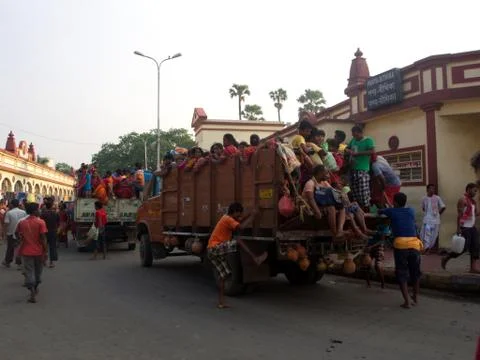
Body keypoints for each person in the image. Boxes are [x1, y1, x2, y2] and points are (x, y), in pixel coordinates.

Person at [207, 202, 267, 309]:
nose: (239, 216)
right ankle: (256, 258)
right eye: (238, 214)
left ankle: (221, 302)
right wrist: (253, 215)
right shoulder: (227, 219)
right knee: (238, 240)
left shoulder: (228, 218)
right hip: (215, 248)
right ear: (234, 212)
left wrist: (250, 214)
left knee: (223, 276)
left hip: (212, 250)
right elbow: (241, 227)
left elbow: (240, 221)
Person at [379, 192, 423, 309]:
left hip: (401, 245)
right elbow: (396, 209)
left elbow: (381, 211)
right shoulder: (411, 211)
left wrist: (385, 205)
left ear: (395, 202)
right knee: (415, 273)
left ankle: (407, 302)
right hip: (415, 244)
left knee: (402, 273)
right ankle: (415, 298)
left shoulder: (391, 211)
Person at [442, 183, 480, 273]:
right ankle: (447, 257)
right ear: (468, 189)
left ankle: (473, 268)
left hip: (472, 227)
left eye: (476, 191)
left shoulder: (473, 202)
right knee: (463, 249)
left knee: (475, 247)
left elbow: (476, 214)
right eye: (474, 190)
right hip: (464, 227)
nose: (475, 193)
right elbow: (459, 215)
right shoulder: (463, 200)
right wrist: (458, 228)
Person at [302, 165, 346, 239]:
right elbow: (311, 199)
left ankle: (340, 230)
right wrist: (317, 211)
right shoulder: (310, 183)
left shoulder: (324, 183)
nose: (328, 175)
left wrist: (341, 194)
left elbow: (333, 192)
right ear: (320, 173)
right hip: (311, 207)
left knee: (342, 207)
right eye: (326, 173)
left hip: (322, 204)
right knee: (331, 208)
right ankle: (335, 234)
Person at [16, 202, 48, 303]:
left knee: (29, 272)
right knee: (38, 271)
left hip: (26, 251)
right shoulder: (41, 222)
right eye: (38, 209)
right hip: (39, 251)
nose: (39, 211)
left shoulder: (22, 223)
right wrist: (46, 251)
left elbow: (18, 235)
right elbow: (43, 238)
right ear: (35, 211)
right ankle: (35, 286)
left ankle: (32, 291)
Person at [346, 125, 375, 211]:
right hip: (353, 169)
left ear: (360, 133)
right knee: (355, 193)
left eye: (355, 134)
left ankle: (366, 211)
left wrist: (357, 153)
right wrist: (349, 151)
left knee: (363, 193)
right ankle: (359, 212)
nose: (354, 136)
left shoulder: (368, 140)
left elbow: (372, 151)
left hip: (363, 169)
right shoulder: (353, 140)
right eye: (353, 135)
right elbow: (347, 148)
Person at [420, 184, 446, 252]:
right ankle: (426, 248)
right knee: (427, 234)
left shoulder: (437, 198)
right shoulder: (424, 198)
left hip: (435, 220)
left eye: (433, 189)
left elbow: (443, 207)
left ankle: (429, 247)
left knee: (434, 235)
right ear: (427, 190)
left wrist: (438, 214)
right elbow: (423, 208)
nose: (432, 190)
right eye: (431, 189)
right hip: (427, 220)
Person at [2, 199, 27, 268]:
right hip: (20, 233)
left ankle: (8, 262)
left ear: (12, 205)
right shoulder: (23, 212)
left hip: (10, 232)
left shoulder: (9, 213)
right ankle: (19, 263)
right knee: (19, 248)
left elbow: (6, 224)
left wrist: (4, 234)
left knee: (10, 248)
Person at [40, 198, 59, 268]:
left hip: (44, 232)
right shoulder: (55, 214)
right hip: (53, 231)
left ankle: (44, 261)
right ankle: (51, 262)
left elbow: (40, 223)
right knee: (52, 247)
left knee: (44, 246)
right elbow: (58, 223)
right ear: (51, 206)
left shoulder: (43, 214)